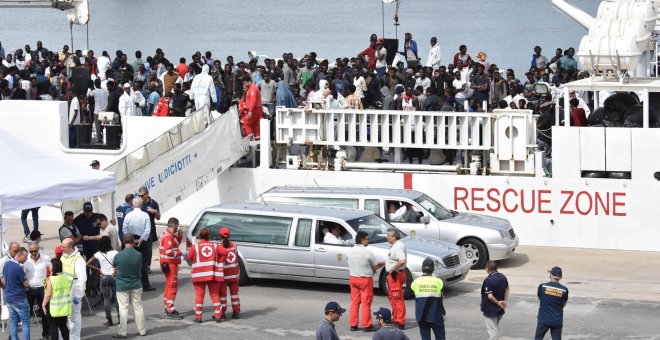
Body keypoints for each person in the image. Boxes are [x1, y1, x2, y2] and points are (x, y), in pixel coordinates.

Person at [347, 231, 384, 332]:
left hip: (353, 278)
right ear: (362, 240)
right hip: (365, 279)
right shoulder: (368, 252)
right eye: (367, 239)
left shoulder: (350, 251)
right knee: (366, 303)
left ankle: (353, 324)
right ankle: (366, 325)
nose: (369, 241)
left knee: (354, 302)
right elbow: (374, 267)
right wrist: (378, 267)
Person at [187, 228, 224, 323]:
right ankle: (218, 316)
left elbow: (188, 257)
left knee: (199, 295)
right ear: (208, 236)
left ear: (200, 236)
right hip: (212, 275)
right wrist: (220, 261)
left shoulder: (195, 246)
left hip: (199, 275)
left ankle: (198, 317)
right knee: (215, 294)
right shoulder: (215, 246)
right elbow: (226, 252)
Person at [113, 234, 147, 338]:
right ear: (133, 242)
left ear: (123, 242)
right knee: (138, 307)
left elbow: (114, 267)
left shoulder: (118, 255)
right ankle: (142, 330)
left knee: (123, 308)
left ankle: (122, 332)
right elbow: (140, 267)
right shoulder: (139, 255)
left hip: (122, 285)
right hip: (136, 284)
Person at [122, 196, 156, 291]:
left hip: (131, 240)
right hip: (143, 240)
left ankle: (132, 284)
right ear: (142, 205)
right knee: (143, 263)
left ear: (132, 204)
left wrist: (131, 239)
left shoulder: (128, 215)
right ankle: (145, 284)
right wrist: (141, 239)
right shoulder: (145, 215)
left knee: (132, 263)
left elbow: (124, 229)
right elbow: (147, 230)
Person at [86, 236, 119, 326]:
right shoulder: (115, 253)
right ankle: (120, 319)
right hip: (114, 276)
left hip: (104, 277)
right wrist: (116, 269)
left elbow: (88, 263)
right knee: (117, 299)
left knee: (106, 299)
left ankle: (109, 320)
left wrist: (99, 269)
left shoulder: (98, 254)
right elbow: (120, 262)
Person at [411, 258, 446, 340]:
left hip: (421, 316)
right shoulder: (438, 282)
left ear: (422, 268)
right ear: (433, 269)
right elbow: (442, 296)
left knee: (425, 338)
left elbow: (414, 294)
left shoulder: (415, 282)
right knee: (440, 337)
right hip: (436, 316)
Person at [61, 238, 87, 340]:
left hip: (74, 290)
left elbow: (82, 278)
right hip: (65, 291)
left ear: (70, 247)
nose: (61, 248)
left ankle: (75, 338)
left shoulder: (78, 259)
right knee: (66, 316)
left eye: (64, 247)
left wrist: (78, 295)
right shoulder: (64, 256)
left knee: (74, 316)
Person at [2, 247, 30, 340]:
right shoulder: (18, 268)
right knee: (25, 322)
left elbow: (5, 280)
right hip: (19, 298)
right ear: (19, 255)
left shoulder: (6, 264)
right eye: (25, 257)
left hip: (9, 297)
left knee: (13, 321)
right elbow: (26, 284)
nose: (26, 259)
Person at [25, 240, 51, 339]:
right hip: (30, 290)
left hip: (42, 289)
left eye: (35, 250)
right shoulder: (26, 259)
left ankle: (46, 334)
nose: (33, 253)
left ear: (38, 249)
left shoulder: (46, 258)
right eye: (31, 251)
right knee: (27, 314)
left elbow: (51, 270)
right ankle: (26, 336)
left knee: (44, 313)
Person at [159, 217, 185, 319]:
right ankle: (170, 309)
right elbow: (169, 251)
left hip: (168, 264)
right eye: (177, 226)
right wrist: (181, 253)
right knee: (172, 286)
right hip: (170, 264)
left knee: (168, 285)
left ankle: (167, 306)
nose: (177, 228)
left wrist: (180, 236)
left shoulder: (168, 235)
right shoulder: (168, 237)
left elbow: (174, 244)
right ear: (175, 225)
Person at [535, 267, 569, 340]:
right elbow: (564, 304)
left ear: (550, 275)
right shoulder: (564, 290)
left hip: (543, 319)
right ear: (561, 277)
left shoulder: (542, 286)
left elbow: (540, 298)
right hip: (557, 320)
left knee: (538, 338)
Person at [43, 258, 72, 340]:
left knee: (53, 327)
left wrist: (43, 304)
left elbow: (48, 294)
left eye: (50, 264)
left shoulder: (51, 279)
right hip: (64, 306)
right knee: (63, 326)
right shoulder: (66, 277)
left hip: (53, 307)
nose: (49, 266)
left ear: (54, 266)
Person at [481, 260, 510, 340]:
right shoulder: (503, 277)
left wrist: (498, 302)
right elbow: (507, 289)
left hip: (490, 309)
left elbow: (490, 296)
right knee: (494, 328)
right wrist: (504, 301)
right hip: (500, 309)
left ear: (487, 268)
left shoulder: (488, 280)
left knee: (492, 330)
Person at [385, 227, 407, 329]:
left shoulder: (398, 246)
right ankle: (396, 319)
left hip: (396, 275)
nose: (387, 237)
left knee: (397, 299)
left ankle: (400, 322)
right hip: (394, 275)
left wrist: (393, 269)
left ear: (394, 236)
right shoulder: (395, 245)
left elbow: (402, 260)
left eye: (388, 235)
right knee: (393, 298)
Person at [217, 227, 240, 319]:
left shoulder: (219, 247)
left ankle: (222, 313)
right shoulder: (234, 245)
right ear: (229, 235)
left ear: (220, 236)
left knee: (222, 295)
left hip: (224, 274)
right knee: (234, 294)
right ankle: (236, 312)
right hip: (234, 274)